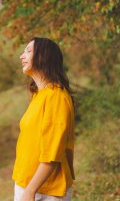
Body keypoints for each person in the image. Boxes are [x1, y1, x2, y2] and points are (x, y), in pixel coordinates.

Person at [12, 37, 75, 201]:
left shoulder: (56, 97)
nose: (21, 56)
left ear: (43, 56)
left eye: (28, 51)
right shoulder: (39, 95)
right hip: (26, 183)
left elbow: (51, 153)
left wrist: (30, 191)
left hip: (45, 190)